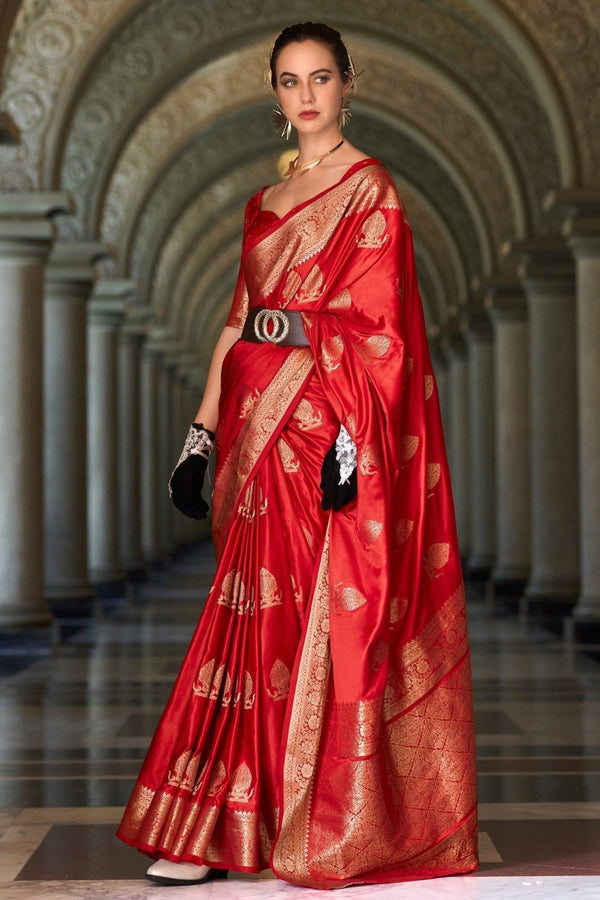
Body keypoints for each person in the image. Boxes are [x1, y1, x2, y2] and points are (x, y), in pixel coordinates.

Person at [117, 21, 479, 889]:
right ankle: (215, 824)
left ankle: (301, 821)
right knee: (243, 616)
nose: (307, 94)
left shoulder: (370, 192)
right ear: (274, 94)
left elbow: (380, 333)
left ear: (349, 84)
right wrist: (200, 437)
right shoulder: (263, 206)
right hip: (252, 426)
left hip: (323, 427)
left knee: (306, 622)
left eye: (321, 77)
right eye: (290, 80)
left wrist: (351, 440)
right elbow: (237, 322)